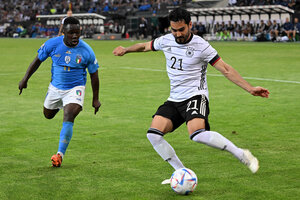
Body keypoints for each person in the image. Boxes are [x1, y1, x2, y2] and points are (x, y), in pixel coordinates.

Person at [112, 8, 269, 183]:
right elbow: (144, 46)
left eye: (181, 29)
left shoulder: (201, 46)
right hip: (174, 98)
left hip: (195, 96)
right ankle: (181, 173)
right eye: (174, 30)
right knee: (153, 135)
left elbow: (225, 69)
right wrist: (126, 49)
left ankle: (241, 154)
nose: (178, 34)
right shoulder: (166, 40)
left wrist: (250, 88)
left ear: (190, 25)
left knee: (196, 134)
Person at [19, 17, 101, 167]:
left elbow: (94, 75)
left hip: (75, 89)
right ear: (63, 32)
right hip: (55, 88)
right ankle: (60, 105)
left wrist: (96, 99)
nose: (75, 36)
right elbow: (37, 61)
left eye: (77, 32)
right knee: (48, 115)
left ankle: (59, 155)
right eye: (71, 33)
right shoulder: (52, 44)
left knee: (69, 115)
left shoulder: (87, 50)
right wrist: (25, 79)